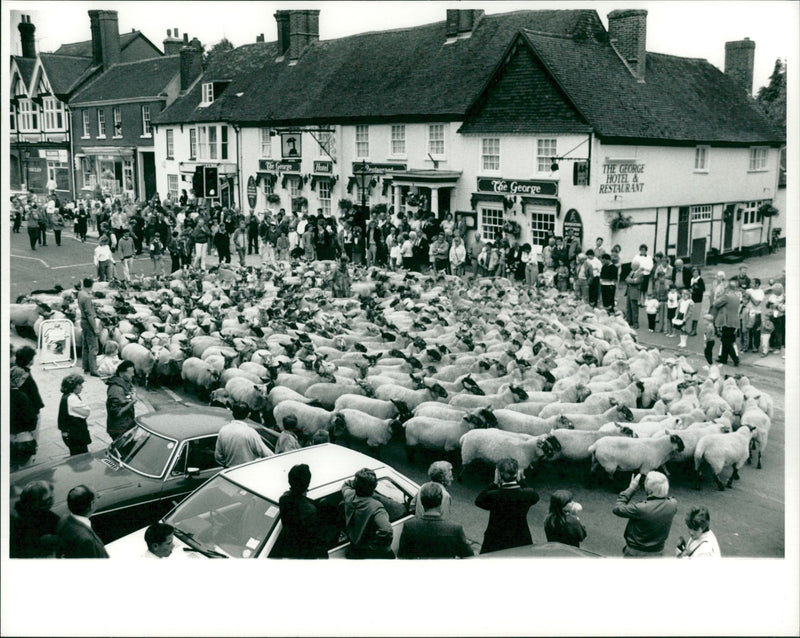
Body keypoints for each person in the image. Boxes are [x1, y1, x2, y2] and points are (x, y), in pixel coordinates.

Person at [475, 457, 540, 554]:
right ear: (516, 473)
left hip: (496, 538)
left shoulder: (493, 495)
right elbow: (535, 497)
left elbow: (478, 501)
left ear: (500, 474)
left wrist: (494, 483)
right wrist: (521, 480)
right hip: (520, 537)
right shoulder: (528, 494)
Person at [398, 482, 473, 559]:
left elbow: (403, 556)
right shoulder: (455, 529)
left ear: (422, 501)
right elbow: (468, 555)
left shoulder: (410, 526)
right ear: (441, 501)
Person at [612, 471, 677, 557]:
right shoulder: (673, 504)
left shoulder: (641, 508)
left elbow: (617, 509)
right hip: (658, 552)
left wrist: (631, 488)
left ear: (649, 491)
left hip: (635, 553)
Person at [274, 464, 328, 559]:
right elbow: (317, 543)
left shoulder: (283, 499)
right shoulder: (310, 511)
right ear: (308, 483)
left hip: (291, 551)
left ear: (289, 481)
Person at [341, 468, 395, 559]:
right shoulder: (376, 507)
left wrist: (356, 482)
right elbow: (386, 530)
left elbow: (346, 485)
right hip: (370, 553)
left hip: (354, 550)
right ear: (374, 486)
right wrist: (373, 546)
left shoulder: (349, 496)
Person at [10, 480, 60, 558]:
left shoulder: (15, 514)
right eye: (50, 497)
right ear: (44, 502)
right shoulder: (50, 520)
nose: (53, 499)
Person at [214, 403, 273, 468]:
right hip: (247, 471)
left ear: (232, 414)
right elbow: (266, 454)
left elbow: (218, 457)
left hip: (229, 472)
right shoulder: (250, 432)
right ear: (249, 415)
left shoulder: (223, 430)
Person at [56, 485, 109, 558]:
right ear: (92, 505)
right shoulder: (87, 540)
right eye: (97, 496)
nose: (100, 495)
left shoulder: (64, 519)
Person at [10, 366, 39, 469]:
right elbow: (31, 420)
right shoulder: (22, 397)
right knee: (26, 468)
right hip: (23, 438)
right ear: (17, 380)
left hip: (9, 437)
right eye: (22, 379)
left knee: (11, 467)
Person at [58, 374, 92, 456]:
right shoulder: (72, 399)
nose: (82, 387)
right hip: (76, 435)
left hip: (72, 434)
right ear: (73, 386)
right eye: (79, 384)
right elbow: (86, 412)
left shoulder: (67, 396)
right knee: (81, 456)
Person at [711, 278, 741, 367]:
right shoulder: (736, 296)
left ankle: (735, 359)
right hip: (734, 320)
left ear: (728, 288)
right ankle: (723, 358)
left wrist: (719, 295)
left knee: (726, 341)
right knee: (725, 340)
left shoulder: (727, 296)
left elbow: (715, 303)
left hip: (727, 321)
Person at [106, 360, 137, 441]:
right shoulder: (116, 389)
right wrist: (132, 402)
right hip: (119, 429)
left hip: (125, 425)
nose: (133, 375)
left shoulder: (125, 384)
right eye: (130, 373)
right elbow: (117, 413)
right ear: (121, 373)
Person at [78, 278, 100, 376]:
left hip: (83, 321)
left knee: (86, 345)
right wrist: (95, 327)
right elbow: (89, 314)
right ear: (91, 285)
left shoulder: (80, 293)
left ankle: (85, 366)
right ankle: (93, 370)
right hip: (88, 322)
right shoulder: (87, 297)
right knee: (93, 347)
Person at [688, 267, 705, 336]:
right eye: (694, 272)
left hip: (697, 300)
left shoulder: (700, 280)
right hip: (691, 299)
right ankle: (690, 329)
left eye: (696, 272)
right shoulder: (692, 280)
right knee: (691, 314)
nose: (695, 274)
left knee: (696, 315)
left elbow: (702, 289)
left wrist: (694, 290)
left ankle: (694, 330)